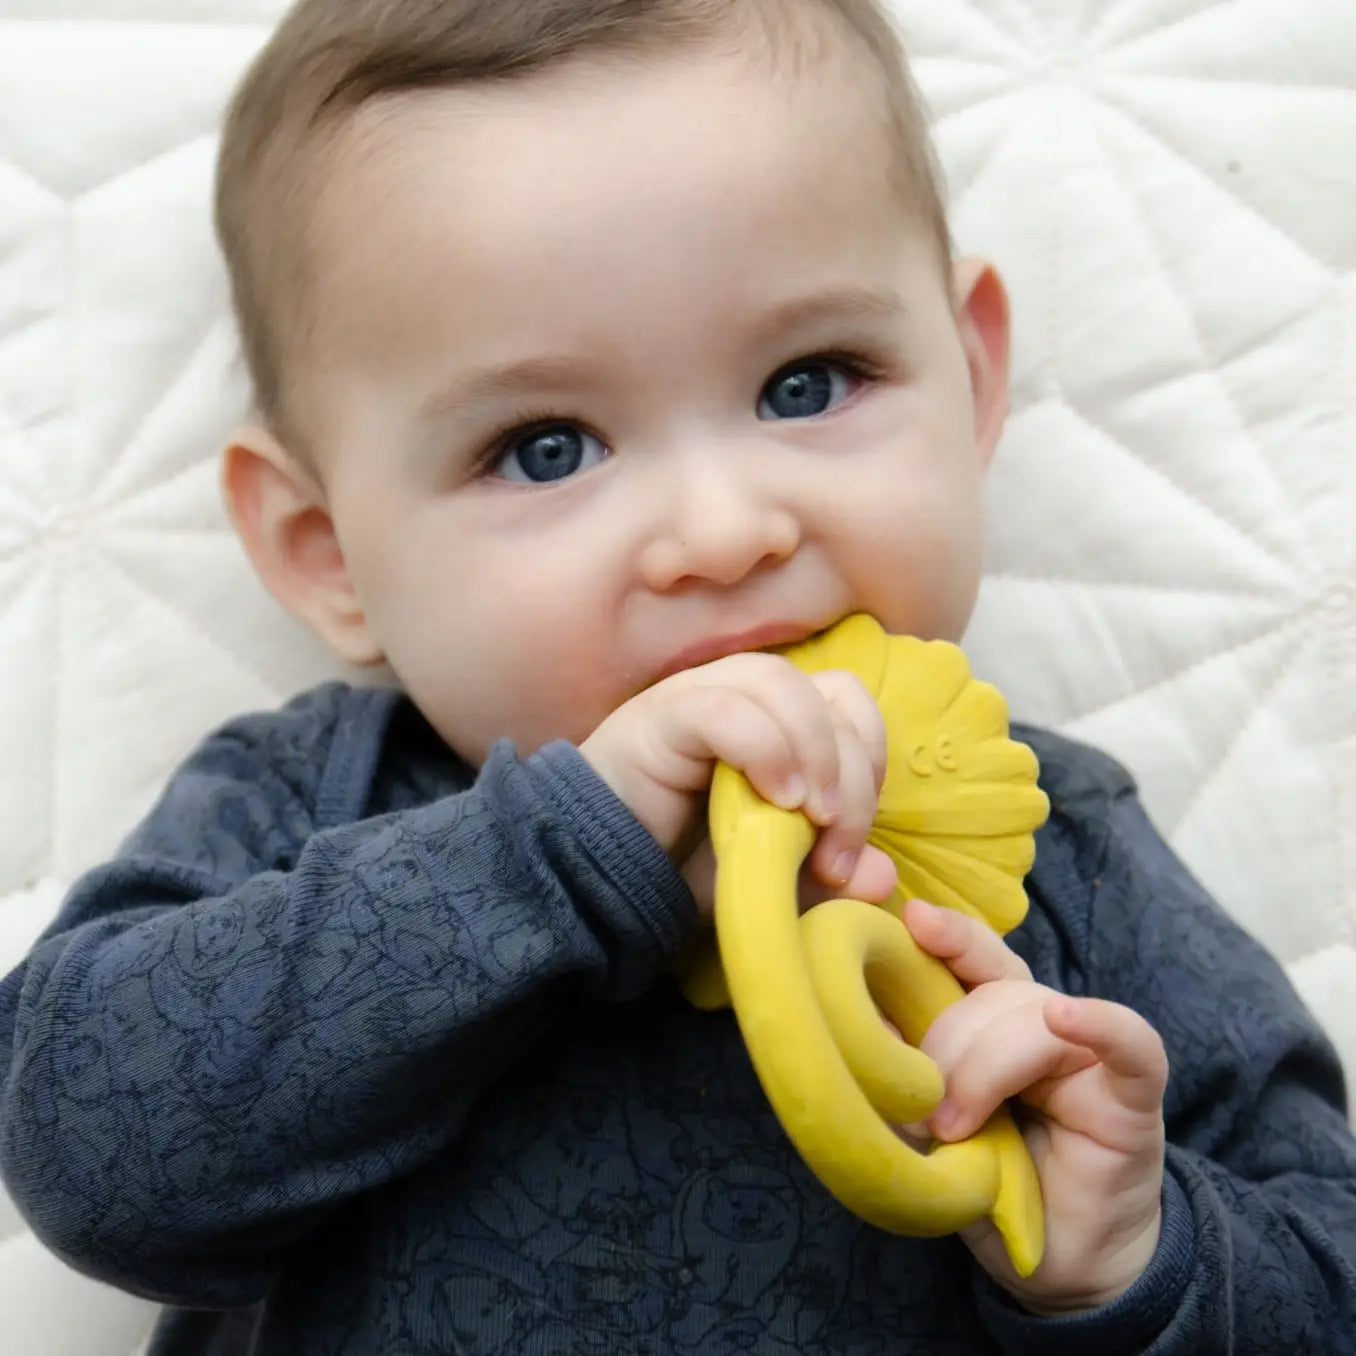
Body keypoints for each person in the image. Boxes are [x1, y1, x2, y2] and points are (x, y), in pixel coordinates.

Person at [2, 1, 1353, 1351]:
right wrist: (557, 861)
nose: (721, 533)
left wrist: (1142, 1257)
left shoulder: (1063, 845)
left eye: (810, 383)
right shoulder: (314, 803)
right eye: (544, 448)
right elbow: (82, 1152)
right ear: (327, 554)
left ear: (972, 374)